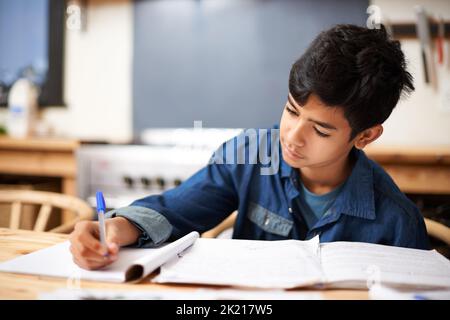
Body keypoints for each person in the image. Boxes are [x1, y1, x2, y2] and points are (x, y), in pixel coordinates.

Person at [70, 24, 429, 270]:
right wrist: (118, 228)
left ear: (365, 136)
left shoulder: (396, 221)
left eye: (320, 130)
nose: (292, 136)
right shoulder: (247, 157)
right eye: (291, 110)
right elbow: (176, 210)